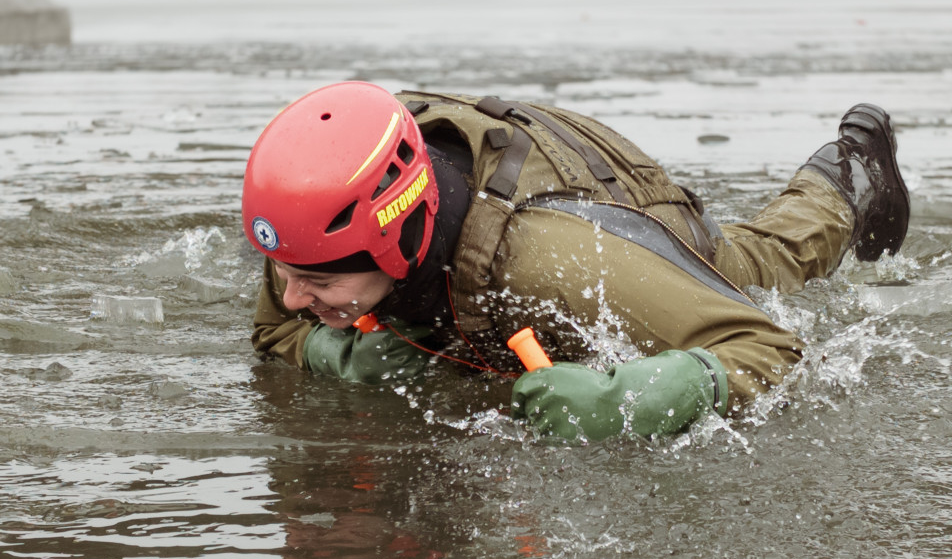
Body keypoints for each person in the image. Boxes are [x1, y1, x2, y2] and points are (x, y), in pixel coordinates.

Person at [242, 82, 909, 441]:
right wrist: (335, 354)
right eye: (287, 273)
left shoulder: (557, 261)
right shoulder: (314, 238)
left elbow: (772, 349)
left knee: (747, 265)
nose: (294, 296)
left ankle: (848, 177)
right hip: (476, 185)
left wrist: (637, 397)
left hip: (605, 206)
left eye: (319, 282)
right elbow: (276, 328)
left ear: (393, 240)